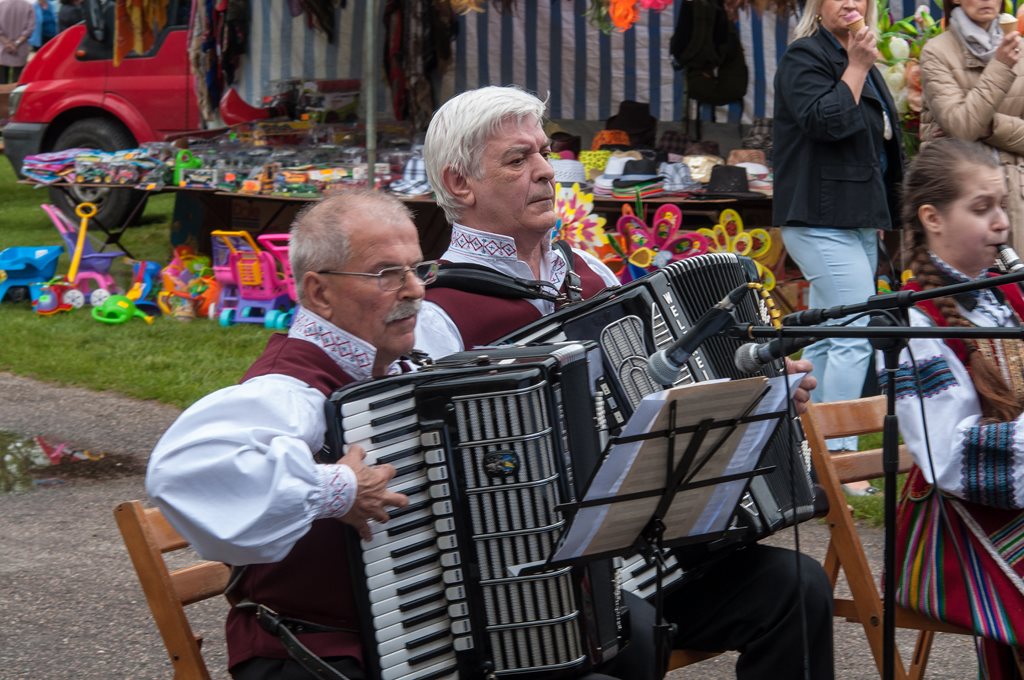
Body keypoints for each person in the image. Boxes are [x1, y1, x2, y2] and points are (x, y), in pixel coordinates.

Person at [416, 85, 835, 680]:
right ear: (460, 184)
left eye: (543, 152)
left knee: (796, 586)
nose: (546, 171)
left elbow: (657, 388)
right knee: (626, 642)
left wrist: (760, 389)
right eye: (517, 159)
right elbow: (440, 476)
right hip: (535, 586)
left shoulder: (589, 273)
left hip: (647, 549)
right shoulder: (439, 315)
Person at [146, 190, 424, 679]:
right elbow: (178, 472)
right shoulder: (287, 391)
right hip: (306, 653)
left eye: (417, 269)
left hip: (406, 640)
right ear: (319, 294)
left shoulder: (394, 370)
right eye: (387, 274)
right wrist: (337, 489)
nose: (415, 289)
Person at [885, 137, 1024, 678]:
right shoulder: (915, 322)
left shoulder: (1005, 294)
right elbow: (949, 456)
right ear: (932, 218)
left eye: (1002, 207)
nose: (1001, 224)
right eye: (982, 208)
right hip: (958, 520)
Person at [772, 0, 904, 491]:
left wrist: (881, 212)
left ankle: (813, 453)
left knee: (832, 336)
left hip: (855, 218)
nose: (850, 2)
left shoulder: (860, 57)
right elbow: (825, 123)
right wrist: (857, 66)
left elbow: (877, 147)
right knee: (854, 334)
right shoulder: (804, 56)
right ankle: (843, 460)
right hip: (818, 217)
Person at [918, 0, 1024, 247]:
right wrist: (1001, 65)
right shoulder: (936, 51)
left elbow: (966, 123)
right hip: (960, 198)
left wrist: (987, 126)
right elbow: (963, 128)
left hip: (1017, 196)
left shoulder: (1020, 50)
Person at [0, 0, 34, 83]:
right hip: (20, 49)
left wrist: (7, 43)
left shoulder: (1, 5)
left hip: (3, 49)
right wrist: (16, 43)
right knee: (18, 81)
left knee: (2, 81)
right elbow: (29, 29)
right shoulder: (28, 6)